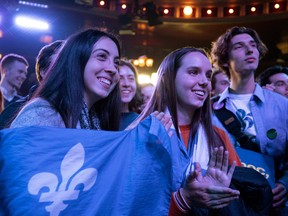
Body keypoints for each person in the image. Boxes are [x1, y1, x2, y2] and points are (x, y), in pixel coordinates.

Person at [128, 47, 242, 215]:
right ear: (168, 79)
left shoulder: (218, 136)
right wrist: (183, 199)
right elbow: (130, 203)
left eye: (208, 75)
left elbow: (240, 198)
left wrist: (224, 196)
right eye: (193, 72)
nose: (204, 82)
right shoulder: (142, 133)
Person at [211, 26, 288, 215]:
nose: (249, 50)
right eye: (239, 46)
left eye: (253, 45)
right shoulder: (208, 111)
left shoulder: (282, 105)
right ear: (225, 59)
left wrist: (286, 183)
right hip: (230, 204)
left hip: (275, 203)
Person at [10, 29, 121, 130]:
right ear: (77, 60)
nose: (113, 69)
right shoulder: (42, 114)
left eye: (116, 63)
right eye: (101, 56)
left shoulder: (97, 121)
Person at [0, 40, 64, 129]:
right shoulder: (17, 108)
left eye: (25, 73)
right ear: (6, 71)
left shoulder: (20, 102)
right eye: (20, 72)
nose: (23, 76)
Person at [118, 58, 142, 130]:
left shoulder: (141, 122)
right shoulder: (95, 119)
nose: (126, 84)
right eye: (120, 78)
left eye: (131, 78)